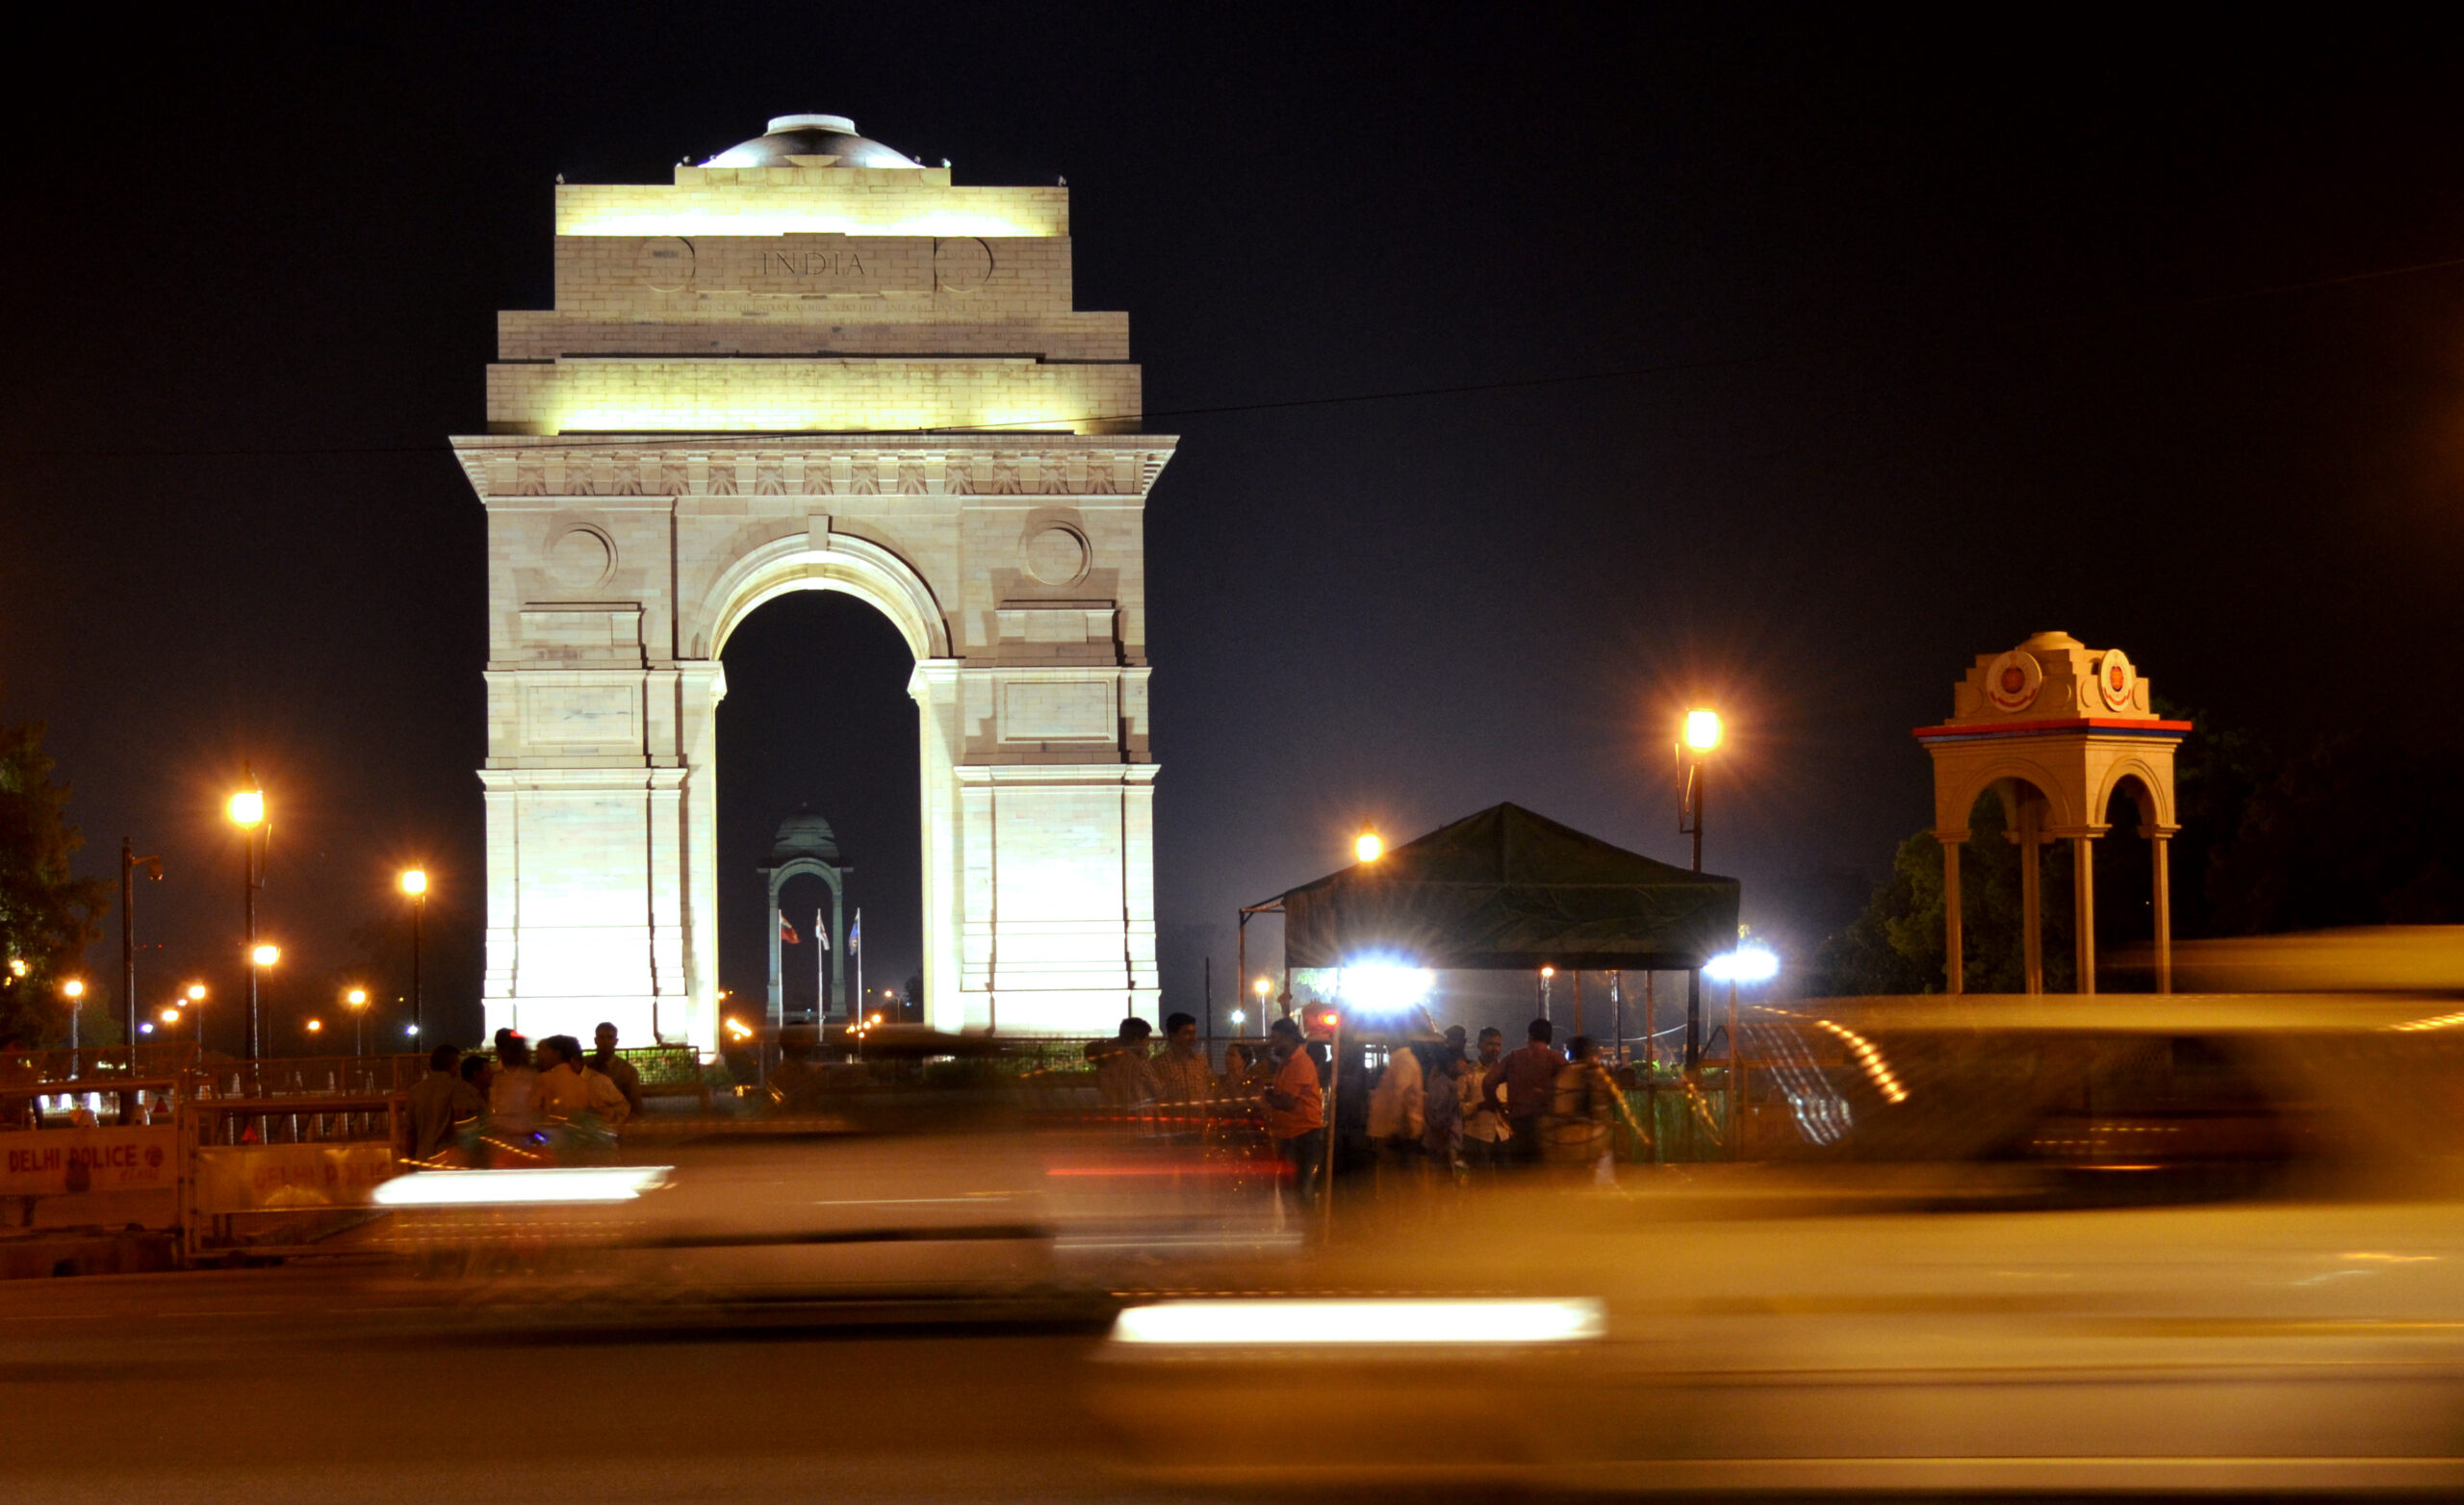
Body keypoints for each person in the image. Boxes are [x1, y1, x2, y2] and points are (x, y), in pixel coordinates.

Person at [1546, 1035, 1637, 1184]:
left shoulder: (1563, 1074)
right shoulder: (1596, 1073)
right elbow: (1609, 1099)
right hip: (1591, 1138)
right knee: (1619, 1134)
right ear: (1589, 1053)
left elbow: (1557, 1106)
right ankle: (1621, 1178)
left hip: (1563, 1138)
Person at [1482, 1018, 1565, 1168]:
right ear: (1550, 1038)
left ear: (1529, 1037)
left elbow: (1488, 1082)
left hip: (1519, 1126)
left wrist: (1497, 1109)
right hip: (1549, 1128)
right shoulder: (1557, 1060)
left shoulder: (1514, 1057)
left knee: (1521, 1176)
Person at [1263, 1016, 1326, 1209]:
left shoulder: (1299, 1063)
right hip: (1291, 1133)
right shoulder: (1287, 1063)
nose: (1272, 1044)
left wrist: (1264, 1096)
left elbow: (1287, 1102)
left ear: (1288, 1038)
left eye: (1276, 1038)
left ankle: (1309, 1230)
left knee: (1300, 1188)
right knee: (1290, 1187)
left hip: (1303, 1135)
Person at [405, 1044, 484, 1162]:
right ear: (454, 1065)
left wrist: (411, 1160)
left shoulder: (415, 1091)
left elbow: (411, 1132)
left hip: (423, 1159)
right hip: (450, 1159)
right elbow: (472, 1118)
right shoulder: (460, 1088)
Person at [533, 1033, 630, 1128]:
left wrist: (603, 1124)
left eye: (546, 1051)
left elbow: (623, 1107)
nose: (541, 1056)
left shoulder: (598, 1082)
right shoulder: (585, 1082)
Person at [1365, 1037, 1426, 1173]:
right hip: (1394, 1131)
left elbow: (1401, 1094)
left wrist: (1397, 1127)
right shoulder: (1400, 1060)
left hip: (1395, 1132)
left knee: (1394, 1180)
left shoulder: (1403, 1061)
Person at [1462, 1027, 1511, 1169]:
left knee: (1507, 1186)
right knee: (1480, 1185)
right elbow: (1457, 1108)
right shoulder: (1468, 1072)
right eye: (1490, 1044)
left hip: (1503, 1135)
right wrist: (1479, 1106)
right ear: (1479, 1045)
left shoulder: (1506, 1072)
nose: (1495, 1049)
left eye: (1498, 1045)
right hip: (1477, 1136)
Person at [1089, 1017, 1163, 1111]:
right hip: (1139, 1118)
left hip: (1113, 1116)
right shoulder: (1140, 1064)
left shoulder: (1106, 1062)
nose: (1148, 1044)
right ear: (1136, 1041)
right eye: (1146, 1039)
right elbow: (1158, 1090)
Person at [1154, 1011, 1212, 1112]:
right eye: (1187, 1033)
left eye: (1194, 1033)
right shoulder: (1159, 1064)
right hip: (1173, 1126)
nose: (1193, 1038)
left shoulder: (1201, 1062)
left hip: (1199, 1125)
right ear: (1173, 1036)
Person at [1422, 1048, 1467, 1178]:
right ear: (1450, 1065)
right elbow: (1439, 1114)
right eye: (1461, 1061)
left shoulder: (1447, 1084)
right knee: (1447, 1179)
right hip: (1445, 1144)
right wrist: (1444, 1135)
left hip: (1447, 1142)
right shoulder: (1443, 1085)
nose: (1465, 1064)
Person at [590, 1021, 646, 1118]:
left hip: (615, 1123)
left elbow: (635, 1107)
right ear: (596, 1040)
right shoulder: (585, 1065)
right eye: (601, 1037)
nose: (605, 1041)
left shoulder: (628, 1071)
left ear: (615, 1041)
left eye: (609, 1037)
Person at [488, 1033, 538, 1134]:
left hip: (525, 1133)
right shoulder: (492, 1076)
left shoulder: (531, 1076)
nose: (513, 1053)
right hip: (499, 1134)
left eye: (516, 1050)